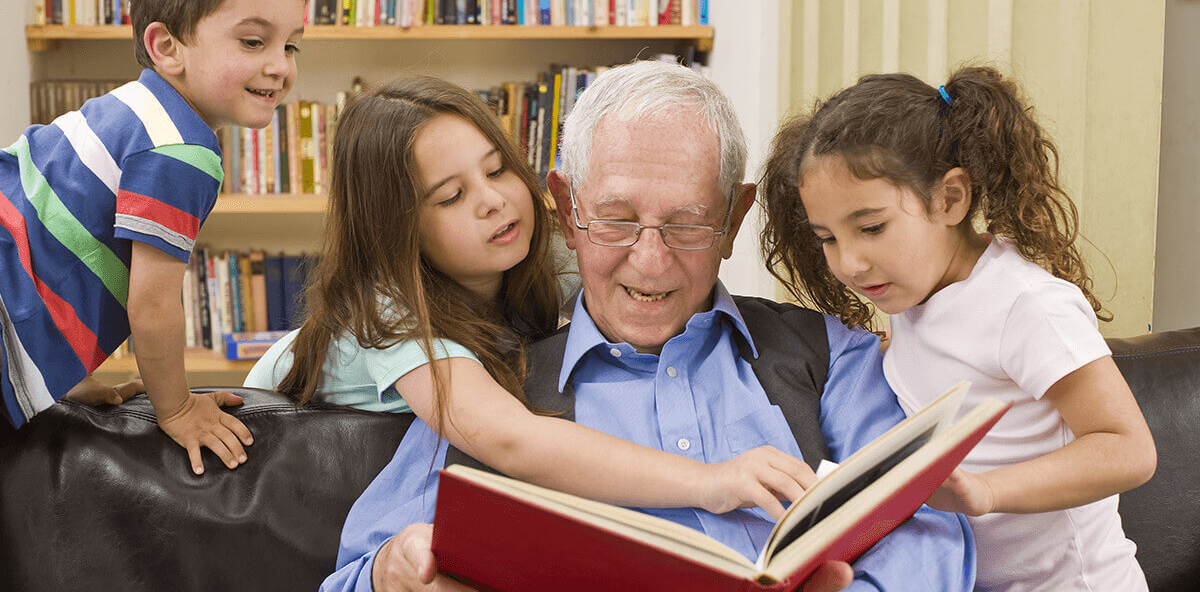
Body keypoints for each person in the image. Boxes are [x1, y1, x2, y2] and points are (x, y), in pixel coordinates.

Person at [324, 61, 975, 592]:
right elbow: (357, 574)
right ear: (565, 207)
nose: (651, 258)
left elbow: (928, 524)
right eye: (615, 218)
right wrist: (392, 574)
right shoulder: (487, 389)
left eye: (689, 223)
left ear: (735, 220)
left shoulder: (829, 355)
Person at [245, 74, 820, 522]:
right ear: (397, 231)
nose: (493, 201)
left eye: (497, 170)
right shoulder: (389, 319)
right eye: (451, 196)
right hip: (272, 458)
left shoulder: (538, 259)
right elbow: (512, 439)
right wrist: (709, 481)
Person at [759, 66, 1156, 590]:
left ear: (950, 199)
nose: (849, 263)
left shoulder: (1026, 305)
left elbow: (1128, 448)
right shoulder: (912, 292)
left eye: (871, 228)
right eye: (828, 238)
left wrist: (986, 491)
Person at [0, 0, 309, 475]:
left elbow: (48, 232)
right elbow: (153, 303)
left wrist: (59, 376)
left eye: (291, 45)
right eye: (254, 42)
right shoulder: (181, 149)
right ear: (166, 47)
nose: (281, 66)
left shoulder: (133, 108)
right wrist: (180, 408)